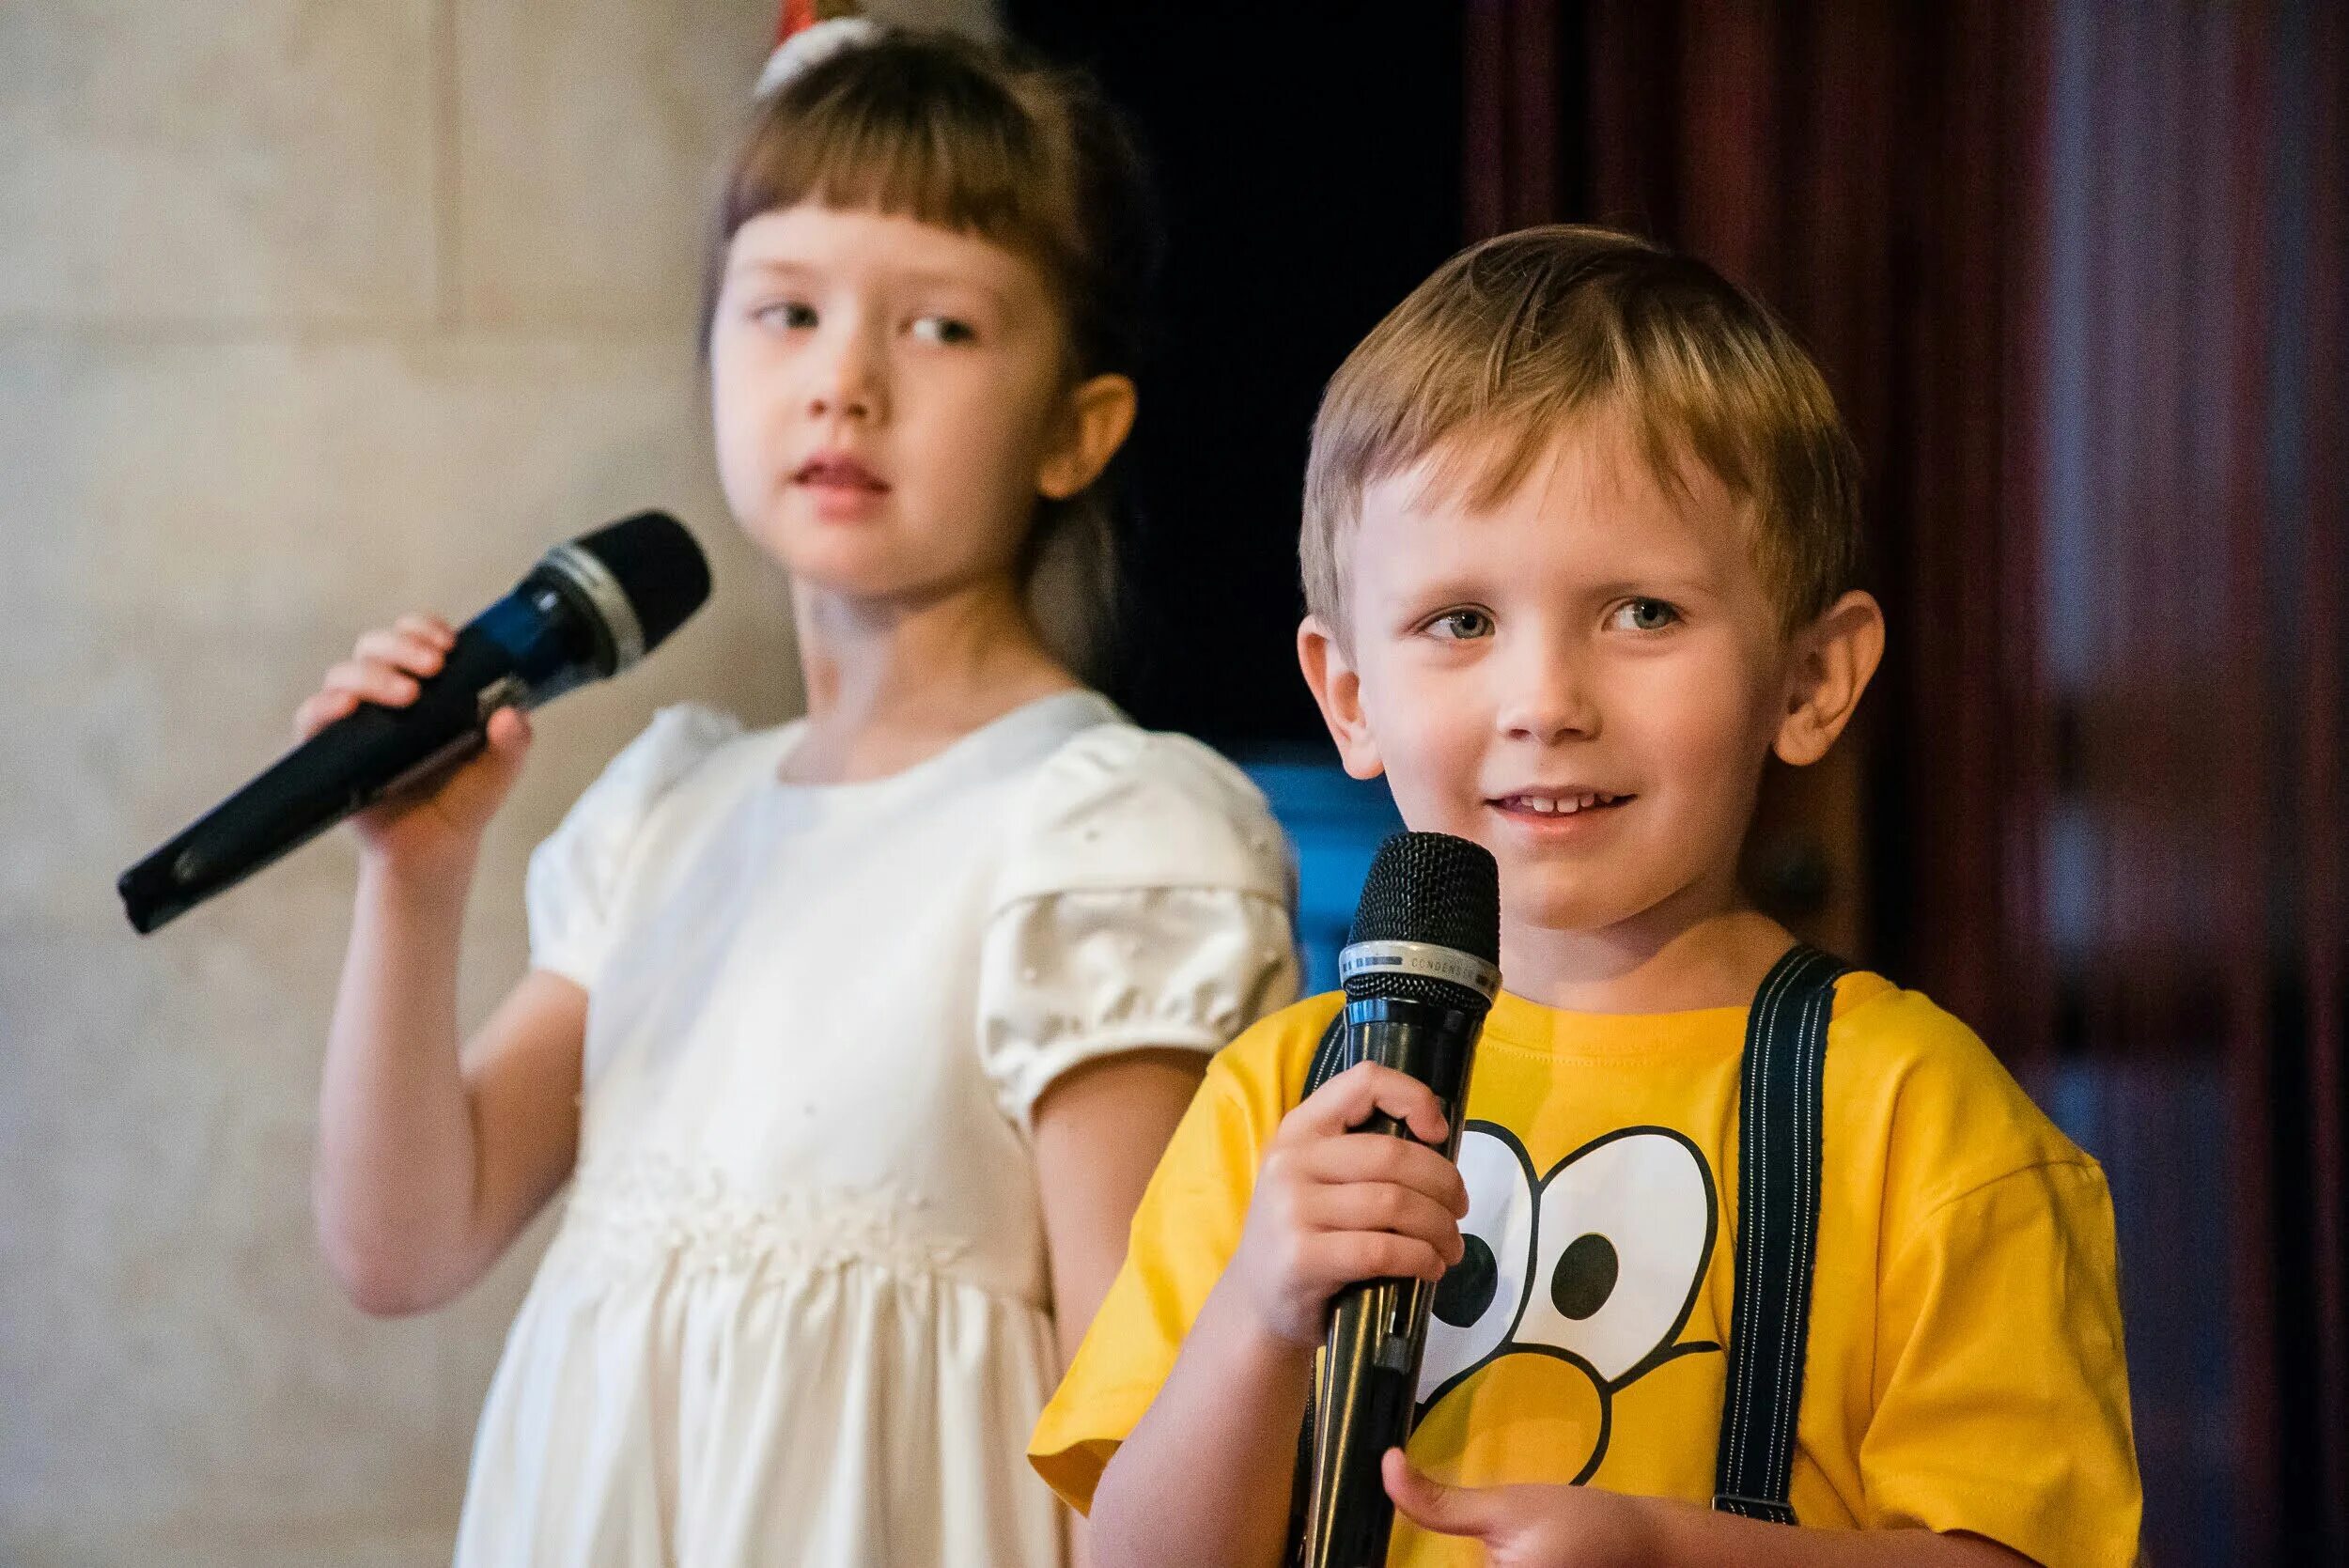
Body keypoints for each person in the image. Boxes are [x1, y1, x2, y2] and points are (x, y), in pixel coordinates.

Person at [298, 21, 1298, 1566]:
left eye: (944, 329)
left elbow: (1148, 1426)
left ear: (1076, 429)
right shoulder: (671, 803)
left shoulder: (1104, 831)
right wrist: (413, 877)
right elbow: (403, 1242)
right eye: (784, 310)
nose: (844, 381)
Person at [1032, 225, 2141, 1568]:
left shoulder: (1921, 1113)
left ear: (1811, 680)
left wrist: (1673, 1555)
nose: (1545, 703)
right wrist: (1263, 1313)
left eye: (1642, 613)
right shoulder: (1280, 1097)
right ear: (1348, 694)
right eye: (1461, 622)